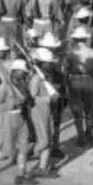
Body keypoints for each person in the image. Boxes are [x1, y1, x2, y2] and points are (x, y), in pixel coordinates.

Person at [0, 59, 36, 185]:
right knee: (7, 152)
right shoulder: (5, 86)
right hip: (8, 119)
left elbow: (28, 100)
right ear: (14, 72)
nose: (23, 74)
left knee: (24, 148)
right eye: (21, 71)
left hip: (22, 118)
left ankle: (21, 175)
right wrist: (10, 105)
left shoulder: (25, 85)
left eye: (24, 72)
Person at [63, 27, 93, 146]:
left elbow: (64, 69)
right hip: (89, 81)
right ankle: (88, 134)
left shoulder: (70, 53)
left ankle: (80, 136)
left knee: (77, 111)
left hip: (74, 81)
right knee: (89, 110)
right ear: (86, 39)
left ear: (75, 39)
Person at [29, 48, 59, 177]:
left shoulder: (47, 77)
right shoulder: (36, 78)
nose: (51, 65)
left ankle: (42, 167)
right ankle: (25, 155)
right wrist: (48, 99)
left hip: (47, 110)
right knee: (44, 140)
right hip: (38, 111)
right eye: (48, 63)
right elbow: (31, 98)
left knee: (48, 138)